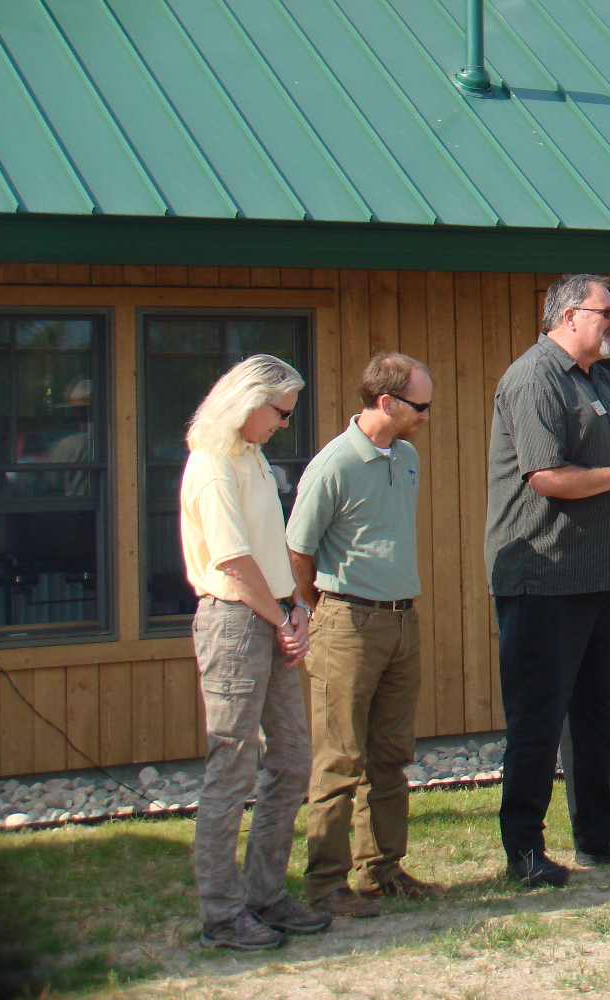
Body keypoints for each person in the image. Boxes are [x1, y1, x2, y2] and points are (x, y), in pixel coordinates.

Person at [485, 273, 610, 887]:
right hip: (543, 575)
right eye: (606, 312)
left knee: (599, 714)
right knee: (538, 721)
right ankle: (524, 851)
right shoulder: (534, 379)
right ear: (570, 317)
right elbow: (546, 477)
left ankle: (599, 835)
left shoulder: (599, 381)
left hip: (596, 574)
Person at [179, 354, 329, 951]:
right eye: (280, 412)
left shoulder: (253, 457)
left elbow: (269, 549)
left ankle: (266, 894)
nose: (284, 424)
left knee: (292, 759)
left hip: (271, 615)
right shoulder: (213, 463)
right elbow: (233, 562)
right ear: (247, 401)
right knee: (232, 765)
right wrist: (281, 618)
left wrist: (296, 606)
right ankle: (221, 913)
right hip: (234, 624)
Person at [286, 352, 443, 918]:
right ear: (387, 402)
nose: (426, 416)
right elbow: (298, 549)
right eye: (420, 406)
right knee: (339, 759)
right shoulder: (334, 465)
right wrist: (319, 610)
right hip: (347, 625)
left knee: (390, 755)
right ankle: (327, 885)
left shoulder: (406, 456)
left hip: (402, 622)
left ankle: (382, 870)